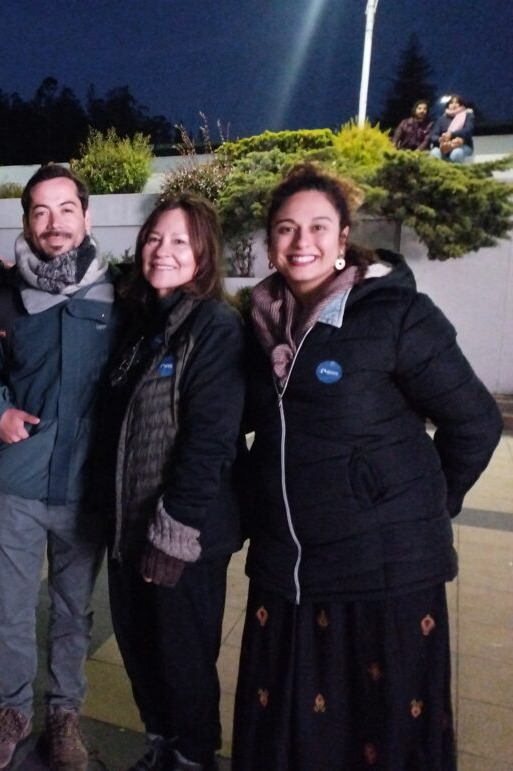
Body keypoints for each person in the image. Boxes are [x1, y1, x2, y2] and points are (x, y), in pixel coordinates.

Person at [232, 164, 502, 770]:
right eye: (286, 228)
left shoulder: (396, 314)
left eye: (318, 227)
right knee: (295, 729)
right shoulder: (259, 323)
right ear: (270, 241)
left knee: (384, 730)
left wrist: (425, 501)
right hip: (289, 566)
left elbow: (476, 423)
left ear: (344, 235)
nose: (302, 241)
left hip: (384, 570)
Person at [0, 164, 120, 770]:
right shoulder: (5, 295)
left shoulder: (120, 292)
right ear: (27, 221)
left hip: (87, 484)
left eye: (66, 209)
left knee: (72, 609)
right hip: (21, 482)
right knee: (9, 606)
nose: (54, 223)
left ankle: (65, 713)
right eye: (40, 211)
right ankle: (12, 710)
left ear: (86, 216)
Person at [105, 194, 244, 771]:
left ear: (204, 253)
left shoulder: (213, 325)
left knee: (183, 657)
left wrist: (175, 530)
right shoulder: (141, 321)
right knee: (140, 649)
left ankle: (191, 755)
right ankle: (160, 743)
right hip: (130, 523)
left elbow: (210, 440)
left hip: (183, 535)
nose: (163, 251)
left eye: (180, 241)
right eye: (155, 239)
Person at [429, 95, 475, 163]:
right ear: (448, 105)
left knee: (457, 153)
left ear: (461, 105)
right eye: (451, 103)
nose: (454, 105)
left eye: (457, 102)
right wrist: (441, 139)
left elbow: (468, 130)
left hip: (462, 145)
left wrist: (451, 134)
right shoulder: (441, 119)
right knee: (434, 152)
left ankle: (456, 173)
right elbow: (433, 135)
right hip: (443, 146)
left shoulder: (467, 116)